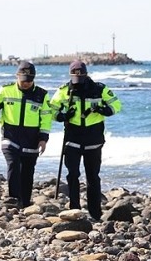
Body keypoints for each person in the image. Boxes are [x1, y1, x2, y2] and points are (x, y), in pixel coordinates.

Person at [49, 61, 121, 220]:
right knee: (72, 174)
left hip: (93, 139)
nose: (78, 80)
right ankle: (75, 208)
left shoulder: (100, 89)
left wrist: (103, 110)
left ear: (86, 74)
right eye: (75, 76)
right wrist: (62, 116)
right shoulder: (64, 91)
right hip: (72, 138)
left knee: (93, 176)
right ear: (71, 76)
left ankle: (95, 212)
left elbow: (116, 105)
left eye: (81, 76)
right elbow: (51, 109)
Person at [0, 61, 52, 208]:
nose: (26, 84)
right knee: (13, 163)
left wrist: (43, 139)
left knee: (28, 171)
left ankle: (25, 202)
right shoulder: (5, 90)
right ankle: (14, 198)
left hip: (32, 138)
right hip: (10, 135)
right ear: (17, 76)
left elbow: (46, 118)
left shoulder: (42, 95)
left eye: (29, 81)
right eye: (23, 81)